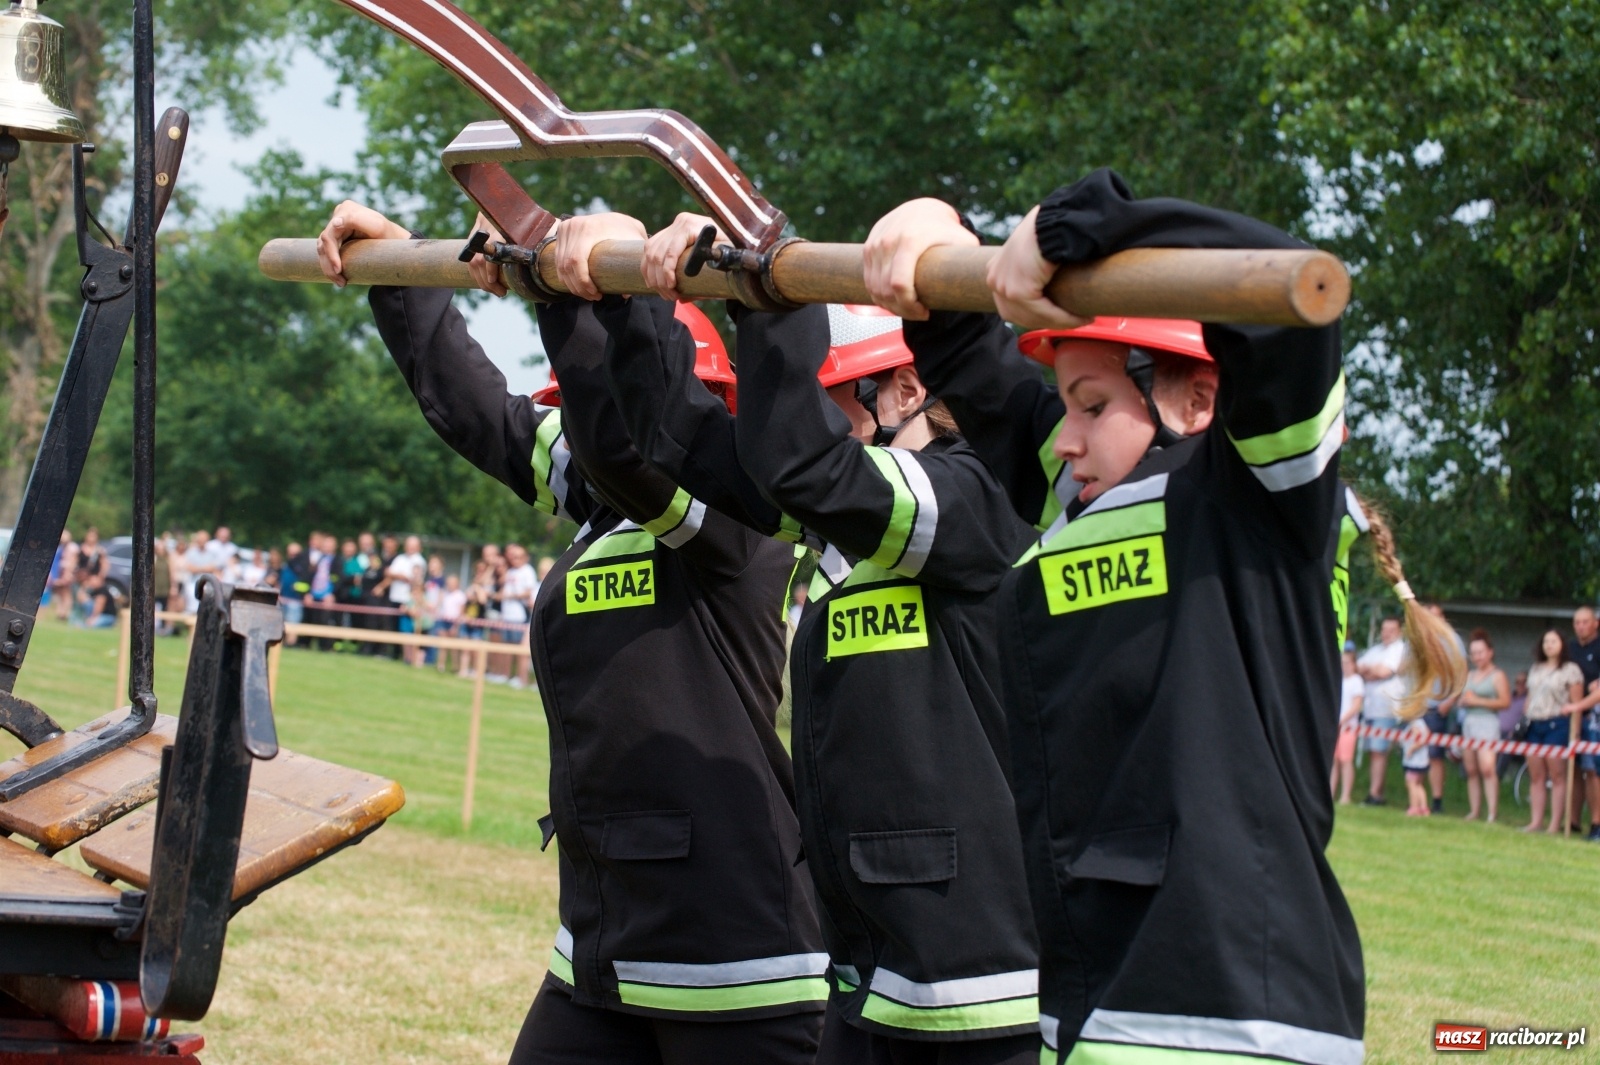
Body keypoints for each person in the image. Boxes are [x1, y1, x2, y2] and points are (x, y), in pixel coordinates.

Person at [859, 171, 1464, 1063]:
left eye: (1093, 405)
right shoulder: (1090, 490)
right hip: (1093, 1005)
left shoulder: (1254, 496)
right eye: (1065, 404)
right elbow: (965, 349)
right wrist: (929, 225)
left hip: (1229, 1018)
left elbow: (1285, 293)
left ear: (1199, 402)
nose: (1064, 437)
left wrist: (1075, 223)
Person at [319, 200, 827, 1065]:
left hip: (738, 949)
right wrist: (403, 267)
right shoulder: (602, 503)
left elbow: (627, 458)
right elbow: (484, 412)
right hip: (604, 939)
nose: (584, 418)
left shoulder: (731, 518)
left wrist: (571, 297)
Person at [603, 209, 1040, 1063]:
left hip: (985, 986)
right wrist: (625, 307)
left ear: (908, 391)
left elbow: (800, 462)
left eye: (831, 396)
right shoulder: (844, 521)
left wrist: (765, 293)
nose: (800, 417)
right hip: (870, 971)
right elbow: (682, 442)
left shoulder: (978, 497)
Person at [1522, 628, 1583, 834]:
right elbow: (1529, 696)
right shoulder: (1536, 668)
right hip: (1535, 723)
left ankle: (1555, 824)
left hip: (1557, 723)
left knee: (1557, 775)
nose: (1549, 645)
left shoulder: (1571, 670)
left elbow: (1577, 703)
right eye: (1546, 641)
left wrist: (1575, 732)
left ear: (1562, 644)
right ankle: (1535, 821)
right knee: (1536, 775)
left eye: (1553, 641)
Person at [1457, 629, 1510, 822]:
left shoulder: (1497, 675)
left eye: (1481, 652)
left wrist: (1478, 701)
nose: (1477, 657)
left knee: (1487, 768)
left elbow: (1505, 702)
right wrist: (1464, 701)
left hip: (1488, 722)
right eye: (1474, 653)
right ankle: (1474, 810)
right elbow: (1463, 698)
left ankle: (1492, 812)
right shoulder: (1470, 675)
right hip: (1469, 722)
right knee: (1471, 769)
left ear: (1490, 652)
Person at [1357, 617, 1409, 805]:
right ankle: (1374, 791)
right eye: (1384, 629)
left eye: (1391, 629)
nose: (1386, 633)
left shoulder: (1400, 649)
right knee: (1373, 751)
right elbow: (1356, 667)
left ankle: (1375, 794)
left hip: (1386, 709)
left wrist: (1370, 671)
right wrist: (1372, 670)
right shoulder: (1376, 650)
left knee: (1380, 750)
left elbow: (1385, 672)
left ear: (1399, 632)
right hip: (1370, 707)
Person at [1419, 603, 1465, 813]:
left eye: (1436, 616)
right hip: (1419, 705)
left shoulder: (1453, 641)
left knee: (1435, 754)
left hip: (1438, 706)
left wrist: (1450, 701)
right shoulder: (1418, 639)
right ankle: (1416, 798)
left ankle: (1437, 801)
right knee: (1415, 752)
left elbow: (1461, 674)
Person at [1561, 606, 1600, 841]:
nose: (1581, 626)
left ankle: (1597, 823)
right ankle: (1572, 821)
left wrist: (1581, 704)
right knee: (1574, 769)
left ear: (1595, 623)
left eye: (1585, 622)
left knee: (1593, 771)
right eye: (1576, 622)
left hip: (1594, 717)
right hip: (1573, 716)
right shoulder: (1571, 649)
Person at [499, 544, 537, 688]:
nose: (515, 559)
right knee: (506, 646)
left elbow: (529, 592)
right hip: (507, 613)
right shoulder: (510, 572)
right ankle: (506, 674)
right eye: (514, 557)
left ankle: (518, 676)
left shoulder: (528, 571)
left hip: (519, 615)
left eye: (519, 557)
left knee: (517, 648)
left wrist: (513, 596)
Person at [1331, 650, 1364, 804]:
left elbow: (1356, 705)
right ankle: (1330, 793)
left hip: (1348, 728)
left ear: (1353, 664)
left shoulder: (1356, 681)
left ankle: (1345, 795)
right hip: (1336, 726)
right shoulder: (1339, 680)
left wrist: (1342, 720)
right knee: (1334, 761)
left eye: (1346, 663)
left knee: (1346, 760)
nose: (1344, 666)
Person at [1400, 717, 1432, 816]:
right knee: (1418, 784)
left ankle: (1414, 807)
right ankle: (1423, 807)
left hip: (1414, 761)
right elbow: (1427, 734)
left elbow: (1420, 739)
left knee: (1411, 784)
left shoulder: (1415, 724)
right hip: (1422, 761)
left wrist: (1411, 749)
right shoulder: (1422, 723)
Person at [48, 530, 77, 622]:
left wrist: (67, 575)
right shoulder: (62, 548)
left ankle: (65, 613)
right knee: (61, 594)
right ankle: (60, 613)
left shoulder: (72, 548)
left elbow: (73, 562)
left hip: (67, 573)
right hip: (61, 572)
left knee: (66, 595)